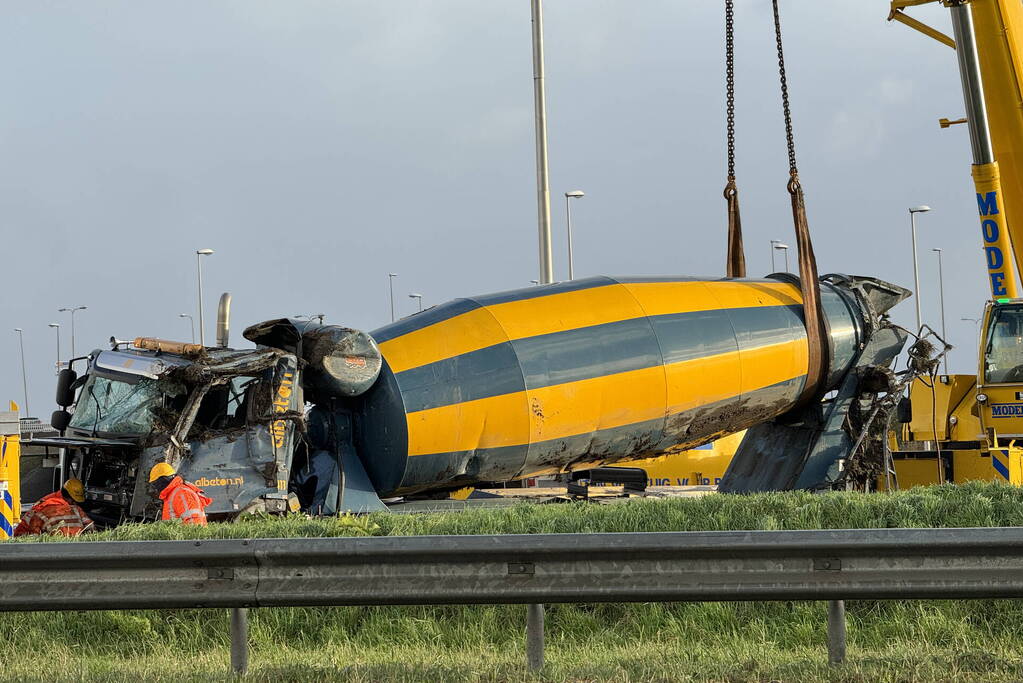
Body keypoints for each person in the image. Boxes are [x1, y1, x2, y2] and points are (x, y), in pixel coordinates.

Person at [14, 478, 94, 537]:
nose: (75, 503)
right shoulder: (44, 506)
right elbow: (32, 530)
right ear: (67, 497)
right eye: (73, 501)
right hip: (23, 533)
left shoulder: (58, 501)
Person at [148, 462, 212, 526]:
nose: (155, 487)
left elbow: (194, 523)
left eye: (155, 483)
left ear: (163, 480)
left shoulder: (181, 493)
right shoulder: (172, 494)